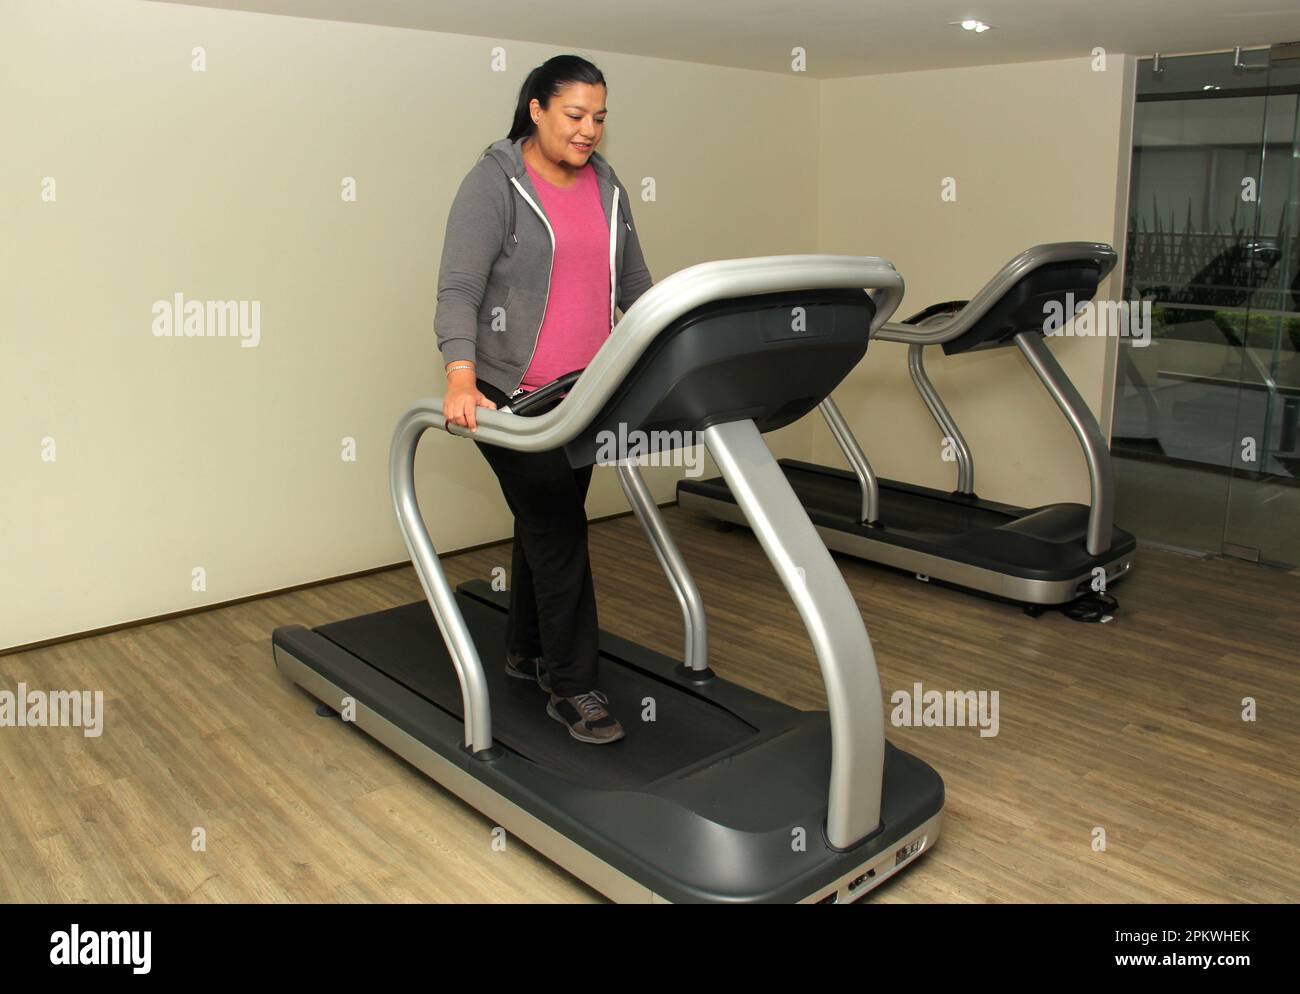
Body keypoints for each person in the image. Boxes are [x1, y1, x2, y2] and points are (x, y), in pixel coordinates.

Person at [433, 54, 654, 744]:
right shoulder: (494, 183)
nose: (589, 130)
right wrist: (461, 377)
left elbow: (637, 287)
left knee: (546, 525)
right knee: (559, 528)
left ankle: (527, 650)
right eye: (575, 115)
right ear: (536, 108)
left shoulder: (608, 187)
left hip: (585, 396)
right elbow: (459, 289)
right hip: (512, 396)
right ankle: (572, 685)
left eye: (599, 118)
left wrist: (667, 350)